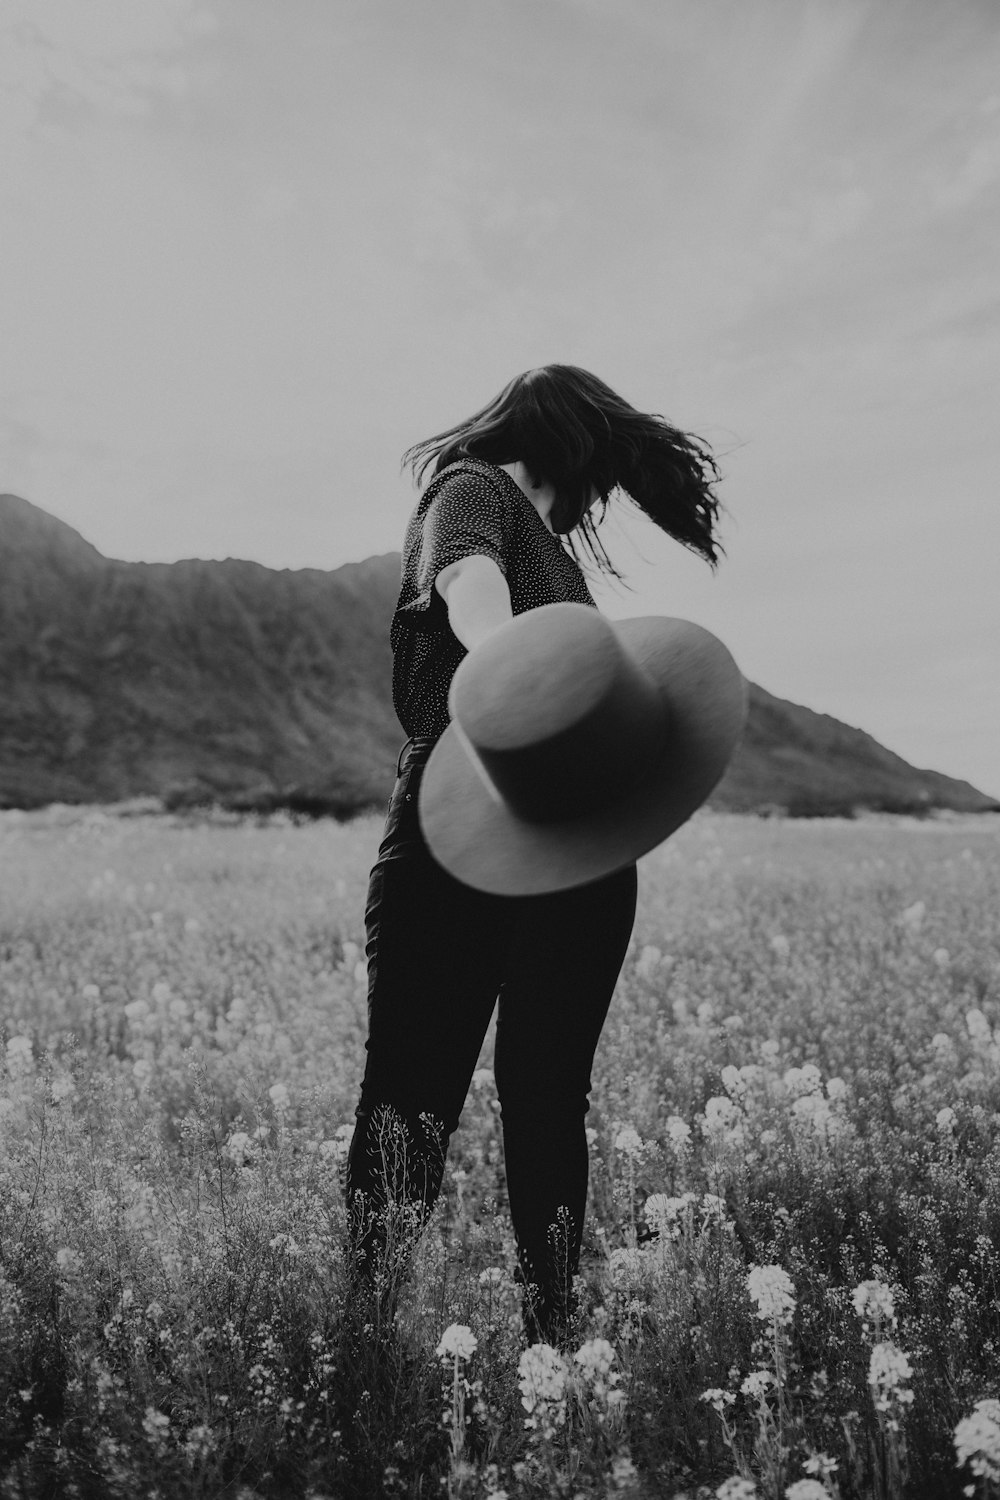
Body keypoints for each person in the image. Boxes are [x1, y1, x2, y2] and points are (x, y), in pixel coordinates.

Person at [344, 364, 724, 1345]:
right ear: (571, 444)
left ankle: (544, 1343)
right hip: (465, 812)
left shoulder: (559, 559)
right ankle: (380, 1333)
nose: (600, 496)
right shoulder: (473, 487)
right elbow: (468, 586)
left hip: (568, 831)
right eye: (600, 470)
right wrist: (511, 663)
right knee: (428, 1098)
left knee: (526, 1098)